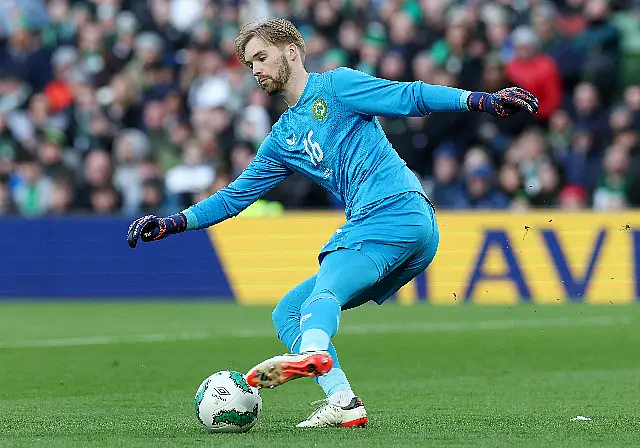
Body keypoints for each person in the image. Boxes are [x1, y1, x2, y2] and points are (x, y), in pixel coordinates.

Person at [126, 17, 538, 428]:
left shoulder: (336, 86)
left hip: (391, 210)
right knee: (289, 312)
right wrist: (176, 222)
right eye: (250, 64)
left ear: (291, 52)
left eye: (262, 58)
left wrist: (479, 100)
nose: (255, 70)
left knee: (323, 291)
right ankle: (342, 400)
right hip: (408, 233)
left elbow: (408, 97)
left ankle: (312, 353)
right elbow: (236, 196)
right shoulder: (283, 138)